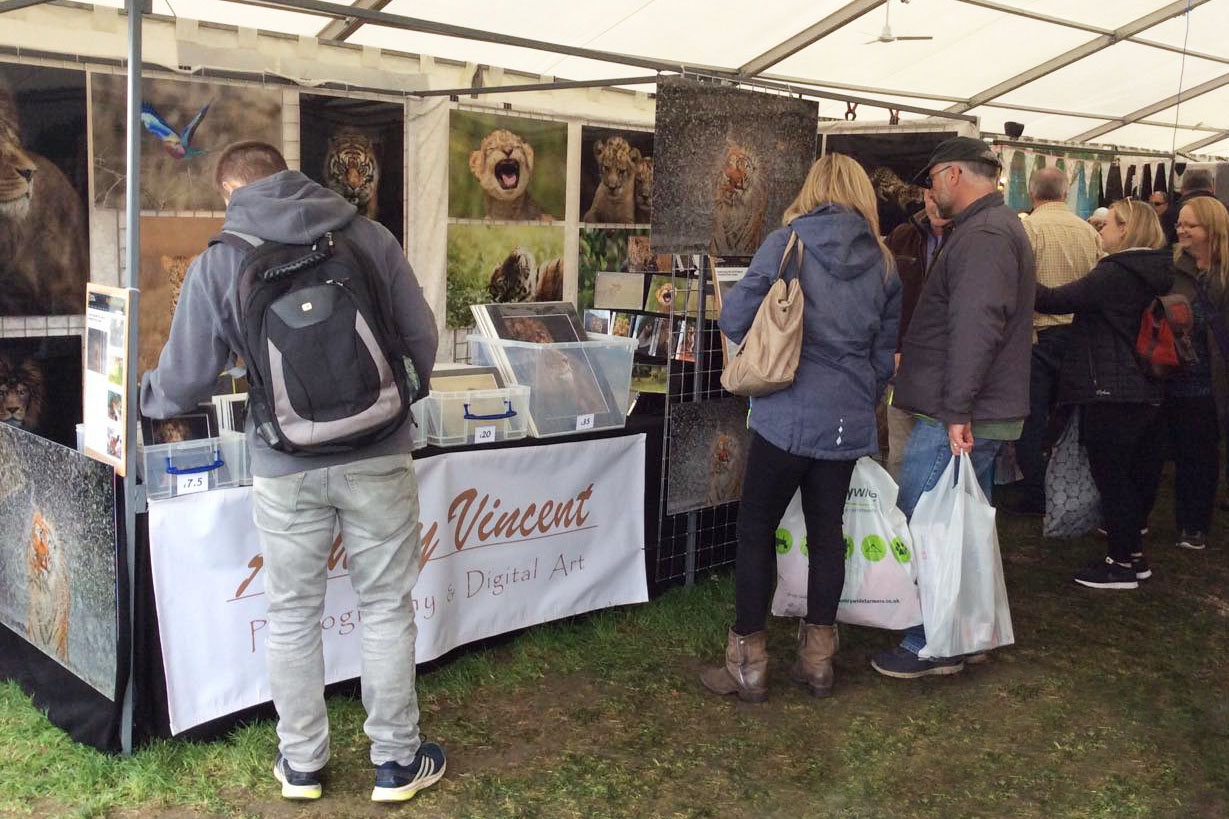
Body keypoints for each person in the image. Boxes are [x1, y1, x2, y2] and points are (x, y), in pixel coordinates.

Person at [140, 142, 444, 803]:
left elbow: (185, 379)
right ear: (291, 172)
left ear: (230, 192)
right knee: (385, 606)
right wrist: (392, 410)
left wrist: (142, 400)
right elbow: (422, 338)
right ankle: (395, 760)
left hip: (284, 464)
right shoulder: (368, 237)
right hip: (379, 454)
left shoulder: (219, 262)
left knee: (291, 613)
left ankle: (302, 763)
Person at [702, 153, 901, 702]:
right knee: (827, 536)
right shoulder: (884, 263)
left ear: (813, 187)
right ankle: (818, 661)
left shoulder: (787, 242)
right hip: (847, 421)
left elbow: (734, 317)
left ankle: (749, 661)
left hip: (786, 414)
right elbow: (885, 357)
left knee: (755, 530)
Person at [870, 137, 1035, 679]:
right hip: (964, 409)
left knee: (927, 523)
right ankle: (963, 634)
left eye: (932, 180)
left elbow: (976, 326)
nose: (929, 191)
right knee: (959, 528)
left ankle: (929, 640)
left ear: (952, 176)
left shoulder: (985, 234)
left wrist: (957, 410)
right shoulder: (988, 229)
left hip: (958, 413)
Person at [1034, 200, 1172, 588]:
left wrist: (1014, 271)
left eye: (1108, 224)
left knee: (1113, 478)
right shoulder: (1157, 271)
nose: (1101, 231)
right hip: (1146, 386)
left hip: (1111, 388)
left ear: (1126, 229)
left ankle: (1121, 564)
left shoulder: (1116, 273)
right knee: (1132, 476)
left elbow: (1054, 300)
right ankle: (1134, 556)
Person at [1005, 168, 1102, 516]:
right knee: (1072, 419)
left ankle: (1036, 494)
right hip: (1079, 337)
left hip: (1038, 337)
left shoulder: (1027, 229)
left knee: (1032, 419)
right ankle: (1072, 487)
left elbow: (1013, 283)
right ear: (1065, 193)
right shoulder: (1090, 232)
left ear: (1032, 194)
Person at [1160, 196, 1229, 551]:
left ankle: (1195, 525)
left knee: (1200, 456)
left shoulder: (1223, 274)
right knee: (1174, 452)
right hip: (1170, 374)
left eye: (1190, 225)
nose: (1182, 230)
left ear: (1211, 228)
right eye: (1180, 224)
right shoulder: (1171, 267)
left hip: (1210, 383)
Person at [883, 188, 949, 479]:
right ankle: (899, 518)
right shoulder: (902, 236)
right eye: (931, 196)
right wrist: (891, 347)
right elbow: (885, 294)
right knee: (899, 450)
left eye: (941, 196)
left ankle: (932, 519)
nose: (935, 204)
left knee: (938, 453)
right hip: (901, 361)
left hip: (944, 364)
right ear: (924, 195)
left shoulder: (968, 238)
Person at [1161, 168, 1215, 245]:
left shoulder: (1171, 213)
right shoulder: (1224, 210)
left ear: (1182, 188)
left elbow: (1166, 245)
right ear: (1212, 186)